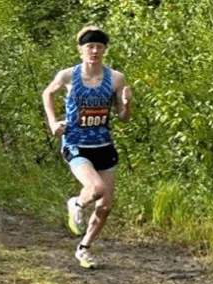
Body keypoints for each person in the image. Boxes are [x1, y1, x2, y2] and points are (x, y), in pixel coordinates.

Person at [42, 25, 132, 269]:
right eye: (90, 47)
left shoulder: (115, 78)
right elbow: (47, 94)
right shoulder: (68, 76)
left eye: (99, 47)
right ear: (81, 50)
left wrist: (126, 104)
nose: (94, 51)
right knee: (96, 188)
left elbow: (123, 117)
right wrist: (52, 122)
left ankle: (84, 248)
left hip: (103, 145)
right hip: (75, 143)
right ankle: (77, 204)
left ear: (104, 50)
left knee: (105, 206)